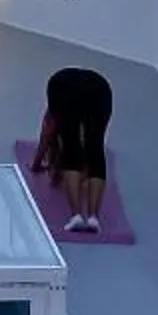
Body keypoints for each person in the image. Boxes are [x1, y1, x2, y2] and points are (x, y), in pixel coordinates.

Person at [32, 67, 115, 233]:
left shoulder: (55, 106)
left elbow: (47, 133)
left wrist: (36, 164)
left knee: (72, 147)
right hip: (100, 87)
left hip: (63, 85)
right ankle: (93, 218)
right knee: (96, 147)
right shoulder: (88, 103)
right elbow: (95, 147)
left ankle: (76, 216)